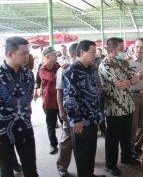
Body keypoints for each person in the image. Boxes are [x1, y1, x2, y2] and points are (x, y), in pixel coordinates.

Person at [99, 37, 142, 176]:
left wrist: (131, 80)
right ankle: (110, 164)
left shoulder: (122, 62)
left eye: (124, 49)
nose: (124, 51)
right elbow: (120, 83)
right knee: (113, 138)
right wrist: (132, 80)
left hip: (128, 105)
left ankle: (126, 157)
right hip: (114, 107)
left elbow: (135, 78)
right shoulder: (105, 64)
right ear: (111, 50)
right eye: (121, 49)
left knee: (126, 135)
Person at [64, 40, 105, 177]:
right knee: (82, 153)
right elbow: (70, 98)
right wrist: (76, 120)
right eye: (92, 52)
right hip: (81, 121)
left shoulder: (90, 69)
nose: (95, 55)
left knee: (91, 150)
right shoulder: (72, 71)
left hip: (92, 118)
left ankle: (90, 173)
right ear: (82, 52)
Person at [0, 37, 39, 177]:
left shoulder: (28, 74)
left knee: (31, 169)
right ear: (10, 54)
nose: (27, 56)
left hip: (25, 127)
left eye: (27, 53)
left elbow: (28, 101)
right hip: (3, 130)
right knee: (6, 171)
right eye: (23, 53)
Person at [56, 43, 78, 177]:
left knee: (82, 138)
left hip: (82, 110)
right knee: (67, 139)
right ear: (73, 54)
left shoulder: (87, 68)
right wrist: (61, 110)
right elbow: (59, 91)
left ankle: (84, 164)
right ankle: (62, 167)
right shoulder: (64, 69)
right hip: (69, 109)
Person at [39, 47, 61, 155]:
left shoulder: (58, 66)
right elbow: (54, 78)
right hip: (49, 102)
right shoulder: (43, 69)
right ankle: (53, 145)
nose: (56, 55)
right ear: (47, 56)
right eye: (53, 54)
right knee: (51, 125)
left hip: (60, 101)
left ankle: (67, 143)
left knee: (65, 123)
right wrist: (63, 71)